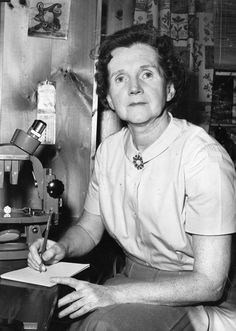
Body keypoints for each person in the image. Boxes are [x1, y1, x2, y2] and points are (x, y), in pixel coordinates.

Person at [28, 24, 236, 331]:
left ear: (170, 88)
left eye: (147, 74)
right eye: (120, 78)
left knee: (105, 326)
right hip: (131, 281)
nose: (134, 87)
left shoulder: (204, 157)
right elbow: (88, 229)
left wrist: (112, 294)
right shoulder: (109, 152)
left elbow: (210, 282)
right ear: (110, 98)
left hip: (195, 296)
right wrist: (61, 248)